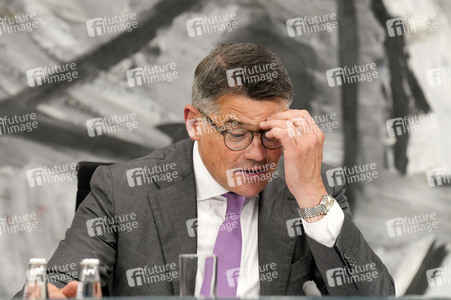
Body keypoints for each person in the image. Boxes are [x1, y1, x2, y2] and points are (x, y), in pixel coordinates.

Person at [17, 43, 395, 297]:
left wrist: (311, 195)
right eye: (236, 133)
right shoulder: (122, 190)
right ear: (195, 123)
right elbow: (55, 285)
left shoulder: (309, 187)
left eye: (270, 135)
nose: (257, 154)